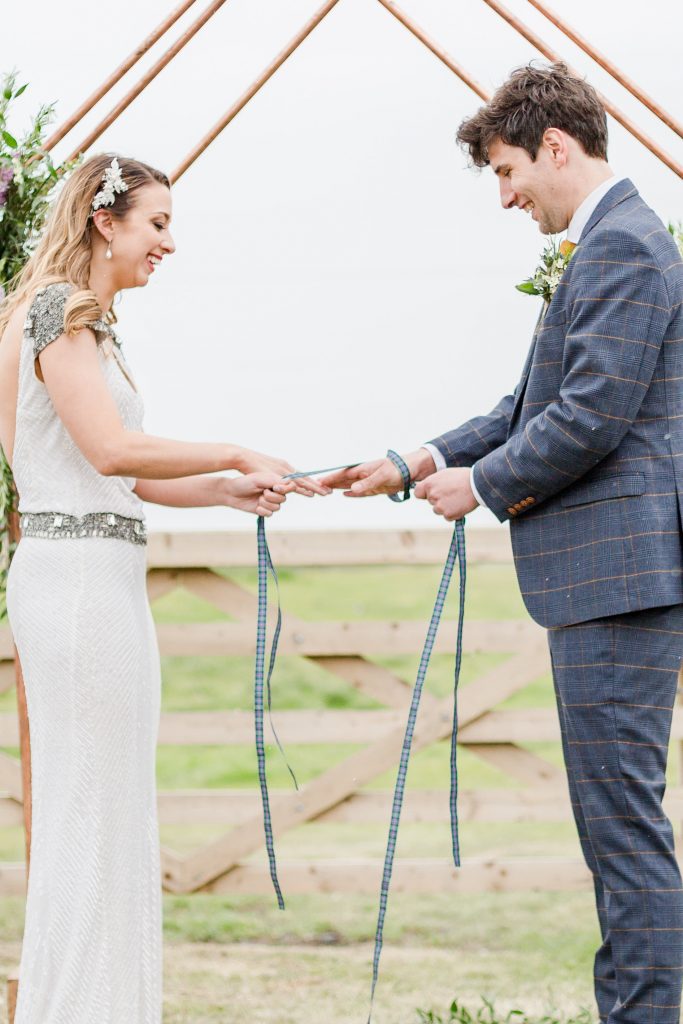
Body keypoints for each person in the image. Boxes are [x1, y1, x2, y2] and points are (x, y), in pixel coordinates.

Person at [323, 63, 683, 1024]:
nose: (505, 193)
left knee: (622, 831)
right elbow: (528, 406)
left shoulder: (626, 249)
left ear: (556, 147)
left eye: (506, 168)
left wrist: (480, 484)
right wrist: (416, 460)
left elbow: (592, 416)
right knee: (613, 826)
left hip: (619, 583)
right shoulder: (608, 242)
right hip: (606, 584)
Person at [0, 152, 327, 1023]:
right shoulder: (51, 316)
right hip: (74, 587)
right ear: (104, 222)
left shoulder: (90, 329)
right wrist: (230, 449)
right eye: (157, 223)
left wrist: (228, 491)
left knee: (111, 803)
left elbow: (122, 479)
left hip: (103, 574)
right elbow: (112, 453)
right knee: (86, 805)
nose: (169, 244)